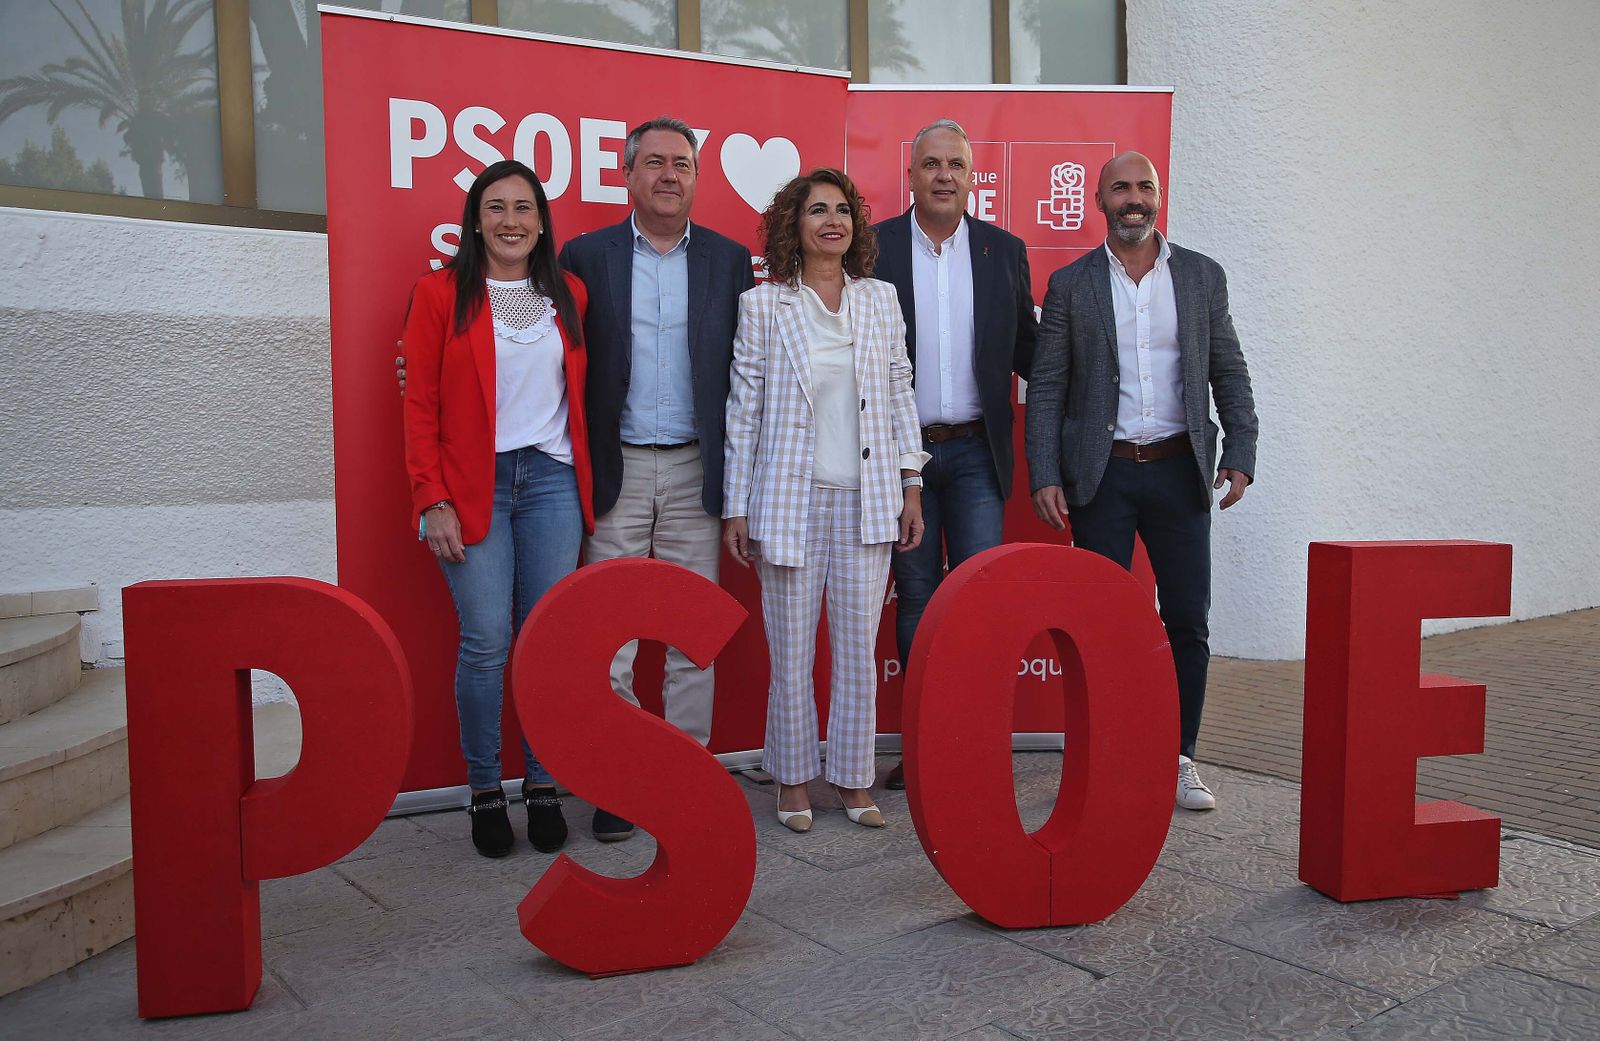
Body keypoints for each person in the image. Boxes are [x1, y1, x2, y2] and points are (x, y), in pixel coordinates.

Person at [1025, 151, 1258, 811]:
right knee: (1098, 622)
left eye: (1145, 187)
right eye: (1121, 188)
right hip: (1103, 478)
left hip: (1179, 472)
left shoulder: (1202, 276)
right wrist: (1045, 470)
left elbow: (1229, 370)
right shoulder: (1071, 285)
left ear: (1160, 196)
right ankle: (1105, 748)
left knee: (1187, 619)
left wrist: (1240, 447)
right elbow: (1048, 388)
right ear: (1100, 201)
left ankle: (1180, 757)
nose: (1134, 198)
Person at [557, 116, 755, 843]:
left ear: (698, 178)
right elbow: (542, 347)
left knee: (689, 636)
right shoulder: (586, 254)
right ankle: (620, 778)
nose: (669, 174)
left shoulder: (731, 261)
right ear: (627, 173)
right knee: (607, 637)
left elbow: (747, 369)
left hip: (698, 469)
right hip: (618, 466)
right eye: (655, 163)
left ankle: (682, 772)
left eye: (683, 163)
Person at [723, 168, 928, 833]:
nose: (832, 221)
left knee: (855, 652)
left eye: (842, 210)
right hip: (788, 501)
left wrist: (911, 483)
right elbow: (743, 410)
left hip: (866, 501)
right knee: (790, 654)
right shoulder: (763, 306)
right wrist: (736, 505)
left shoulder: (880, 300)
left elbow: (900, 395)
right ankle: (791, 779)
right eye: (817, 211)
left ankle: (852, 777)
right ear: (795, 225)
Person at [402, 159, 593, 856]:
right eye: (496, 207)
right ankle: (485, 788)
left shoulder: (569, 293)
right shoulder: (437, 295)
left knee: (547, 641)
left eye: (523, 207)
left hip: (551, 484)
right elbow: (418, 405)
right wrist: (432, 499)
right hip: (471, 486)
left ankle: (542, 784)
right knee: (487, 641)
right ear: (476, 220)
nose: (510, 220)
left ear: (541, 221)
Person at [871, 119, 1037, 791]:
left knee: (974, 605)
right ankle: (928, 741)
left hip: (975, 453)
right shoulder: (873, 247)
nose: (944, 175)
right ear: (910, 174)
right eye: (932, 164)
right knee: (914, 597)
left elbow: (1030, 351)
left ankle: (971, 742)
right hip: (897, 458)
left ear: (973, 178)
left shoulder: (1004, 250)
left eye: (956, 166)